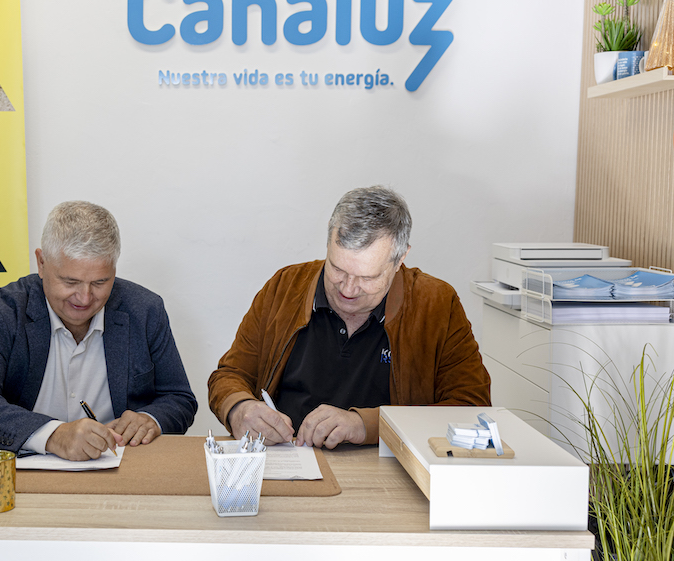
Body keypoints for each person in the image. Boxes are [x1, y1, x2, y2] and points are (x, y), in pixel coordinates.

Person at [208, 185, 491, 449]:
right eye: (337, 269)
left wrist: (366, 425)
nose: (348, 289)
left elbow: (471, 408)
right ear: (328, 243)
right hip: (288, 456)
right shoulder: (284, 287)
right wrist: (239, 408)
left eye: (368, 278)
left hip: (387, 468)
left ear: (400, 259)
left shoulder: (436, 304)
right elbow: (230, 376)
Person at [0, 201, 198, 461]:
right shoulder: (2, 312)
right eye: (70, 281)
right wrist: (53, 435)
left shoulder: (145, 310)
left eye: (100, 282)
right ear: (42, 263)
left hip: (121, 470)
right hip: (24, 472)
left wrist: (149, 419)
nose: (84, 297)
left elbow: (179, 398)